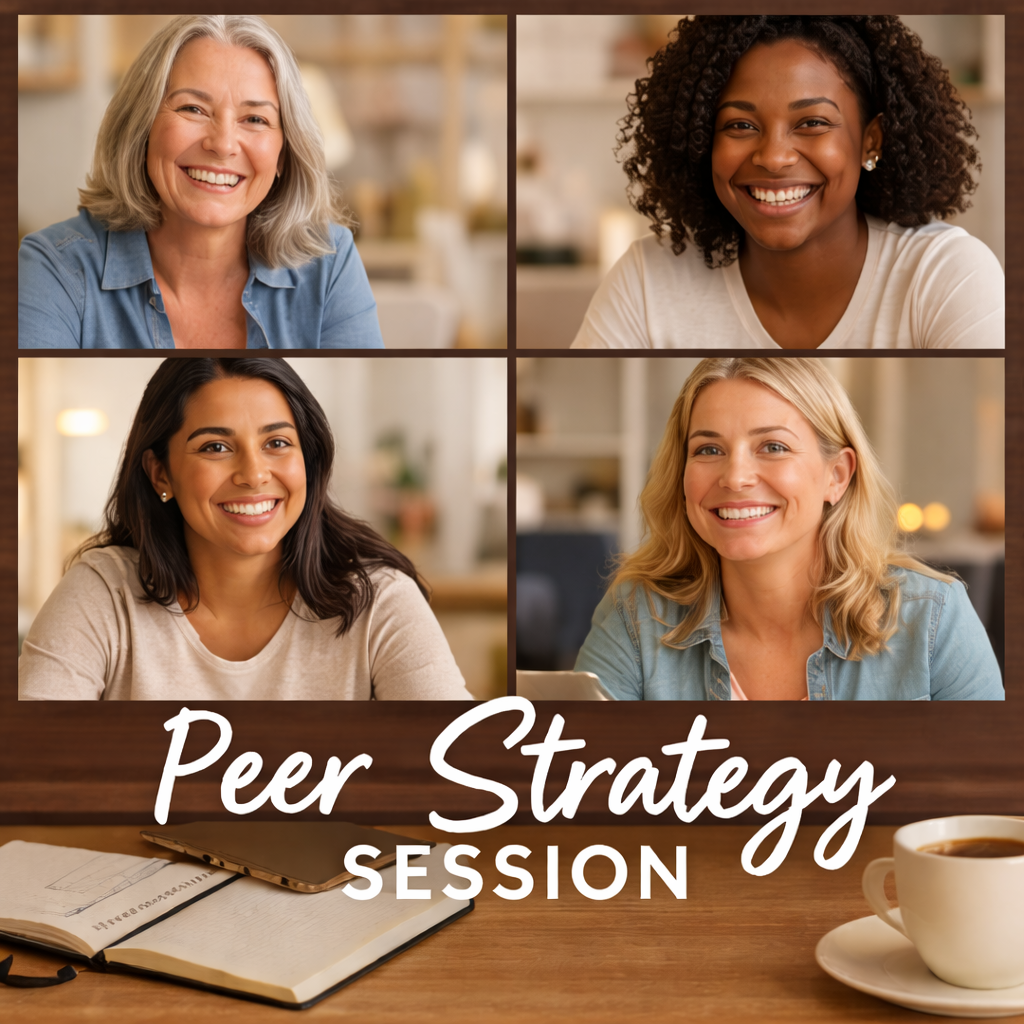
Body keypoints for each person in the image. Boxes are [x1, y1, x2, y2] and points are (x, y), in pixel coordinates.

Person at [20, 359, 471, 700]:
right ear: (161, 475)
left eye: (277, 443)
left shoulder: (379, 599)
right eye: (215, 447)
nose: (254, 474)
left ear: (308, 463)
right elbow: (29, 764)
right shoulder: (104, 592)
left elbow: (461, 767)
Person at [574, 358, 1003, 700]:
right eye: (708, 449)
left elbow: (990, 799)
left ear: (836, 475)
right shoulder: (636, 616)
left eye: (773, 447)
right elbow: (576, 786)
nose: (735, 476)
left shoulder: (933, 619)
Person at [572, 16, 1004, 350]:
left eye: (812, 122)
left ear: (871, 141)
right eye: (740, 125)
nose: (774, 157)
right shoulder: (648, 282)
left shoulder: (946, 276)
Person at [19, 16, 383, 349]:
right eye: (192, 109)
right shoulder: (54, 268)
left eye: (255, 119)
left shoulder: (329, 262)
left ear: (283, 155)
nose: (223, 144)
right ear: (141, 129)